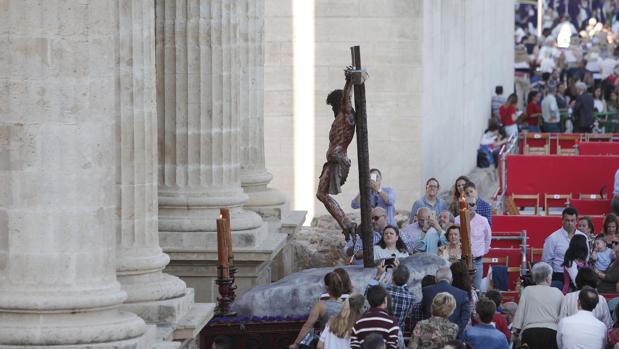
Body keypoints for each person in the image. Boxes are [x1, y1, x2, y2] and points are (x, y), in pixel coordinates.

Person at [317, 68, 367, 241]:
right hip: (334, 159)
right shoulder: (342, 115)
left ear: (338, 102)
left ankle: (346, 223)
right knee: (321, 194)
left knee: (322, 194)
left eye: (332, 104)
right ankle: (345, 223)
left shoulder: (346, 113)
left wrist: (348, 81)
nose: (332, 108)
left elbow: (347, 97)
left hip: (338, 159)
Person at [512, 262, 563, 349]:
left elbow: (520, 313)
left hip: (530, 332)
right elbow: (562, 315)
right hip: (552, 333)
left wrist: (514, 331)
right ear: (547, 278)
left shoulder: (527, 290)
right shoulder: (557, 292)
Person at [290, 272, 345, 349]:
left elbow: (308, 326)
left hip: (326, 343)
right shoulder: (347, 305)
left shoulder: (320, 305)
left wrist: (296, 343)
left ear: (326, 287)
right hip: (344, 343)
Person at [541, 207, 587, 290]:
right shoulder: (553, 238)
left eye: (572, 220)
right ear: (562, 220)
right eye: (567, 220)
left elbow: (587, 256)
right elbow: (546, 262)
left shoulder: (583, 237)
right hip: (559, 276)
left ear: (576, 221)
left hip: (580, 274)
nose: (570, 223)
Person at [422, 267, 471, 340]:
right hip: (453, 340)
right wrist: (454, 331)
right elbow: (465, 316)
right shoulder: (462, 294)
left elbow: (423, 310)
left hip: (429, 337)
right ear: (451, 280)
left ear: (435, 279)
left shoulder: (426, 291)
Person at [454, 197, 492, 290]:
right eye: (467, 204)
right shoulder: (457, 220)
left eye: (472, 204)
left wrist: (482, 252)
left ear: (476, 206)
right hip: (460, 261)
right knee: (461, 288)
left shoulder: (483, 220)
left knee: (477, 289)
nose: (469, 207)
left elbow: (488, 238)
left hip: (477, 261)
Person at [367, 262, 417, 330]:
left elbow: (368, 294)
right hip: (397, 332)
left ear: (392, 277)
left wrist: (378, 275)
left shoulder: (382, 291)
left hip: (380, 329)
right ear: (407, 280)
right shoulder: (411, 297)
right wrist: (400, 272)